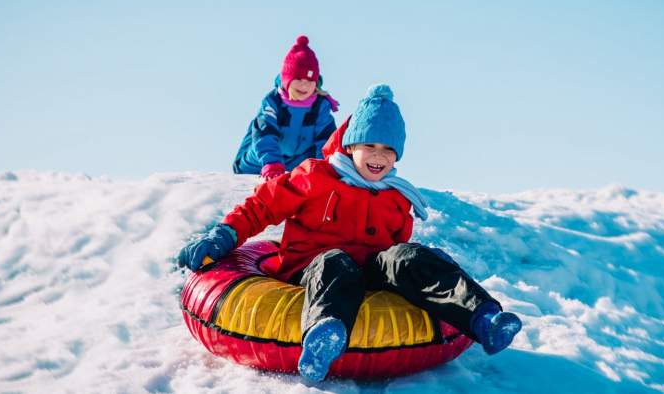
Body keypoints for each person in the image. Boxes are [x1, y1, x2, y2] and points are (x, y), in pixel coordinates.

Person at [180, 84, 521, 382]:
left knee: (407, 256)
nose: (378, 156)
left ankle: (483, 317)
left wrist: (415, 269)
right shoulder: (315, 176)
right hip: (311, 269)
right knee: (336, 261)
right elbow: (262, 206)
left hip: (369, 272)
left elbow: (395, 251)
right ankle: (323, 336)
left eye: (388, 150)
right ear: (350, 146)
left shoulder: (396, 197)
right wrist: (224, 235)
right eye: (369, 146)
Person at [232, 35, 339, 180]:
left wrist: (325, 170)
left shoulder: (320, 106)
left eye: (310, 80)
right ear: (287, 79)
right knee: (256, 153)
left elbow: (326, 140)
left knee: (314, 162)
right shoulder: (273, 102)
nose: (304, 85)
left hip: (297, 159)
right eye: (299, 79)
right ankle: (266, 164)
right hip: (261, 158)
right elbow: (264, 134)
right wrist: (272, 163)